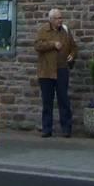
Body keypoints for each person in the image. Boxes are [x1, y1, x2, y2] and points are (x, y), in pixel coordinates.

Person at [34, 7, 79, 138]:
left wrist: (72, 55)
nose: (60, 20)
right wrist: (53, 44)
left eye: (61, 17)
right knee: (47, 101)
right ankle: (47, 129)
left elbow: (74, 47)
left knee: (63, 100)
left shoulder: (65, 30)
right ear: (51, 19)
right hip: (46, 71)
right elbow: (37, 46)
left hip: (62, 69)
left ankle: (66, 129)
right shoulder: (43, 30)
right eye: (58, 18)